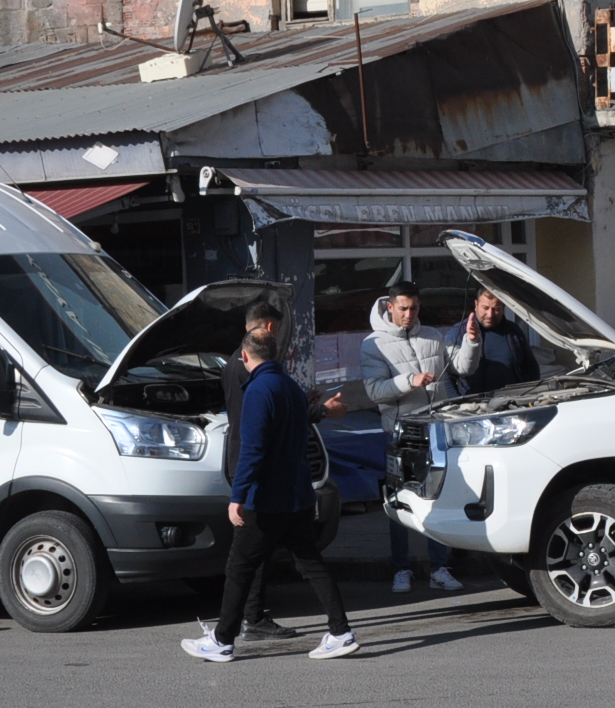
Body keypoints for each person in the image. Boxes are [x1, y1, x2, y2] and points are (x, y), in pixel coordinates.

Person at [183, 333, 358, 662]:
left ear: (246, 357)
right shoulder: (290, 387)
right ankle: (340, 632)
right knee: (310, 563)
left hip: (267, 500)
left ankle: (222, 640)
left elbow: (253, 449)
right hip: (299, 495)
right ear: (276, 354)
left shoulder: (258, 391)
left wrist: (238, 496)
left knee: (239, 567)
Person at [221, 299, 344, 642]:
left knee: (251, 557)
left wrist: (308, 405)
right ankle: (250, 620)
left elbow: (266, 424)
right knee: (255, 557)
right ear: (270, 330)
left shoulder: (257, 375)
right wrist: (241, 492)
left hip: (265, 476)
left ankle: (238, 627)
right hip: (263, 474)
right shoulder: (255, 375)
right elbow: (257, 435)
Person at [360, 280, 475, 593]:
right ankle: (402, 569)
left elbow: (462, 367)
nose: (409, 314)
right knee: (400, 505)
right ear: (390, 307)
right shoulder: (374, 344)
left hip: (435, 430)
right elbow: (374, 391)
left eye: (413, 308)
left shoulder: (432, 337)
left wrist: (472, 343)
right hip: (400, 434)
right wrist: (410, 380)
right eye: (403, 308)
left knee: (436, 499)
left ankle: (439, 567)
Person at [457, 288, 540, 396]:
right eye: (485, 308)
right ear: (476, 304)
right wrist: (458, 403)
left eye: (496, 309)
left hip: (513, 402)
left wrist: (530, 395)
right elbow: (448, 376)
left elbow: (531, 367)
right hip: (475, 406)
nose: (490, 314)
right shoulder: (459, 332)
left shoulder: (513, 331)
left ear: (503, 308)